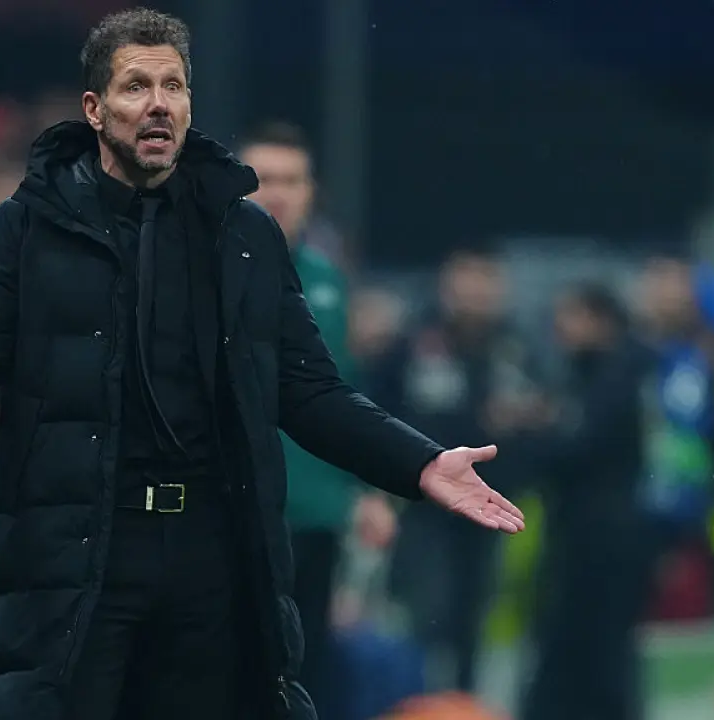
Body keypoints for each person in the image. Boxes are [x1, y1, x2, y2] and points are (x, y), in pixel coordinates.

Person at [0, 9, 524, 720]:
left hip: (212, 556)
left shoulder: (243, 235)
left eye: (173, 85)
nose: (159, 103)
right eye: (136, 86)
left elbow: (309, 390)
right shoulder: (22, 230)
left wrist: (419, 464)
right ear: (95, 109)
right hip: (81, 555)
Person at [239, 120, 395, 717]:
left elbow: (343, 391)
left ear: (311, 192)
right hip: (235, 508)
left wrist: (368, 488)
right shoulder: (199, 269)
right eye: (263, 179)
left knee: (310, 666)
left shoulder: (329, 281)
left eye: (292, 180)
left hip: (317, 511)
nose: (278, 193)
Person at [371, 246, 540, 693]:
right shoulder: (415, 342)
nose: (474, 292)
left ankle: (463, 702)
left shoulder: (515, 348)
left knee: (474, 616)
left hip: (490, 505)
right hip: (425, 503)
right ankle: (417, 703)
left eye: (485, 281)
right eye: (466, 279)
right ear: (447, 284)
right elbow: (376, 407)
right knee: (428, 611)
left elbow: (538, 414)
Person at [522, 283, 652, 720]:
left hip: (605, 540)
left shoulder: (618, 378)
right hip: (577, 534)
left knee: (599, 651)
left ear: (601, 321)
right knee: (571, 648)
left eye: (572, 316)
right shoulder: (580, 376)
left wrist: (533, 431)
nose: (560, 327)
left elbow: (577, 446)